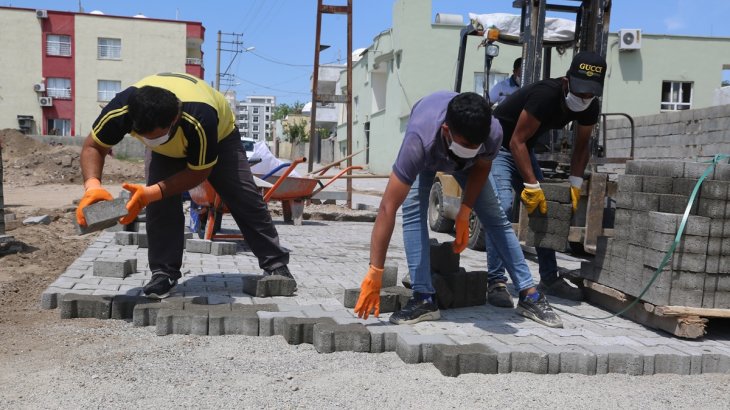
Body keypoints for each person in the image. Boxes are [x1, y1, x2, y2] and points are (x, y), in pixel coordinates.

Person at [353, 91, 562, 328]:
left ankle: (530, 294)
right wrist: (375, 271)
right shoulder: (419, 142)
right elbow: (387, 208)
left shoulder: (491, 132)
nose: (471, 148)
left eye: (476, 145)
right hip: (430, 151)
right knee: (412, 212)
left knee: (495, 217)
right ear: (446, 130)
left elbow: (482, 167)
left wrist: (465, 211)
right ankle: (424, 298)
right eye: (465, 145)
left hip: (468, 160)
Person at [75, 72, 293, 299]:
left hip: (221, 138)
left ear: (175, 118)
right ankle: (163, 273)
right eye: (145, 138)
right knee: (160, 205)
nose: (151, 141)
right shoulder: (122, 109)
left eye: (157, 136)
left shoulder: (200, 116)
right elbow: (93, 147)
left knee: (244, 197)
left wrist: (153, 191)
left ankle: (276, 265)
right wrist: (93, 187)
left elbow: (199, 171)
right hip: (165, 154)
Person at [484, 51, 607, 307]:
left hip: (523, 147)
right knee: (504, 206)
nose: (584, 97)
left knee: (546, 206)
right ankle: (495, 282)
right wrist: (531, 185)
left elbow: (582, 147)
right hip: (499, 144)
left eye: (589, 93)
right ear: (567, 80)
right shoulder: (546, 94)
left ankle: (549, 278)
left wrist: (575, 184)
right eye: (580, 91)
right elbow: (515, 140)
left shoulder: (589, 106)